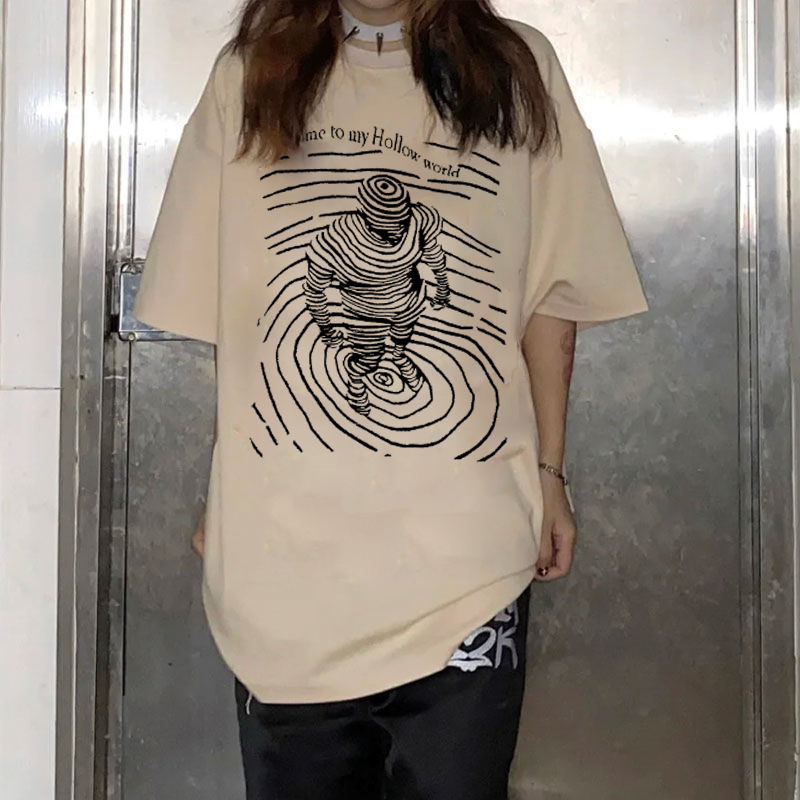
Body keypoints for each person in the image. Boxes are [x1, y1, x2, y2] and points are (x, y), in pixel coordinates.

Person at [132, 0, 649, 797]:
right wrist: (223, 484)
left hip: (467, 562)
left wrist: (551, 475)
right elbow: (243, 310)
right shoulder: (252, 74)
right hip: (287, 565)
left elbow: (551, 296)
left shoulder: (515, 71)